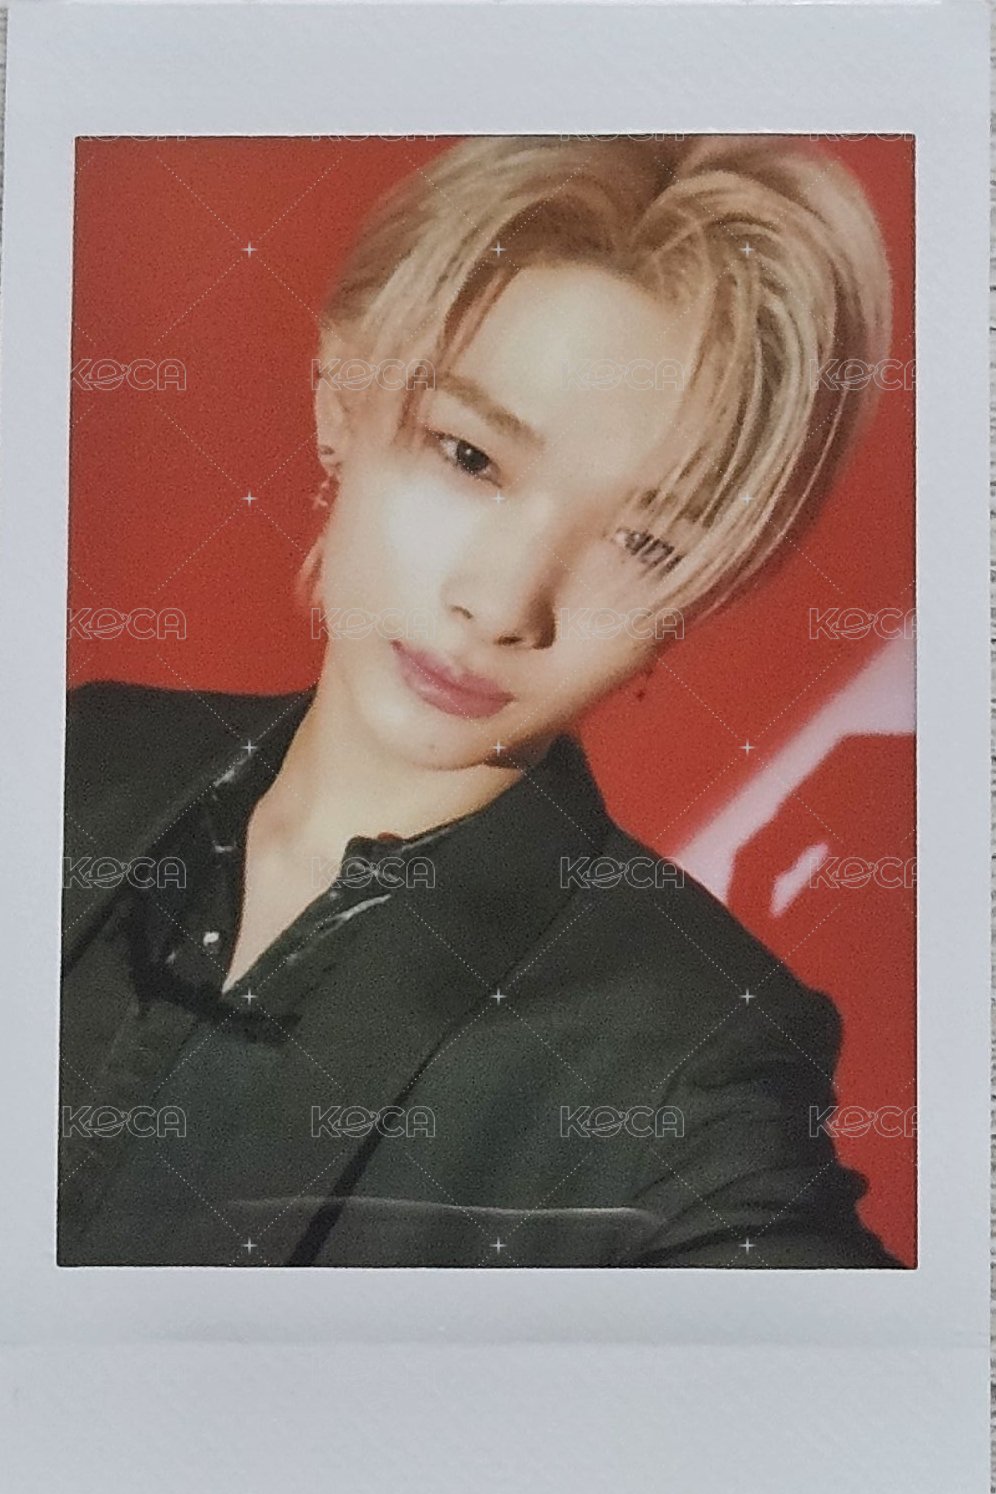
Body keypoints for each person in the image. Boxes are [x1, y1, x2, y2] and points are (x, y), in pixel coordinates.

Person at [59, 133, 905, 1268]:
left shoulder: (690, 1061)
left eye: (648, 544)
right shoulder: (75, 755)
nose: (502, 605)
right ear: (341, 398)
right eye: (470, 457)